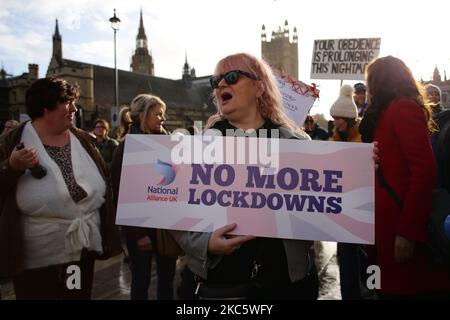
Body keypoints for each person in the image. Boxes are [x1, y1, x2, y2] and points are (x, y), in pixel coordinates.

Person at [171, 53, 319, 300]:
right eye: (216, 81)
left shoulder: (298, 144)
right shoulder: (196, 147)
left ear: (260, 87)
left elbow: (325, 204)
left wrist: (361, 170)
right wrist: (204, 243)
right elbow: (170, 208)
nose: (221, 85)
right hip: (221, 284)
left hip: (285, 282)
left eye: (231, 77)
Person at [0, 77, 121, 299]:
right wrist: (12, 166)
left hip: (79, 255)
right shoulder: (10, 142)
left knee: (75, 294)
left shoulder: (84, 140)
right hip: (34, 260)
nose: (75, 108)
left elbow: (106, 181)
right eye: (68, 103)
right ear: (46, 108)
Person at [360, 56, 450, 299]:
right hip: (382, 230)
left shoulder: (402, 108)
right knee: (379, 287)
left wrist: (408, 231)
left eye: (370, 81)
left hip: (399, 230)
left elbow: (424, 171)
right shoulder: (386, 113)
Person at [111, 94, 177, 300]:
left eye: (163, 114)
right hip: (142, 229)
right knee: (141, 281)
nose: (162, 119)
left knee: (167, 279)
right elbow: (122, 192)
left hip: (166, 227)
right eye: (158, 114)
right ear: (142, 115)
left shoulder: (170, 144)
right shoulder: (127, 146)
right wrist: (138, 234)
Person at [329, 84, 368, 300]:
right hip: (343, 209)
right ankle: (349, 295)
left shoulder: (364, 138)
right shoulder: (334, 139)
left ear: (351, 119)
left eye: (339, 118)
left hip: (363, 208)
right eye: (334, 118)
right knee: (346, 256)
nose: (336, 122)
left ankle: (370, 290)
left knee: (365, 257)